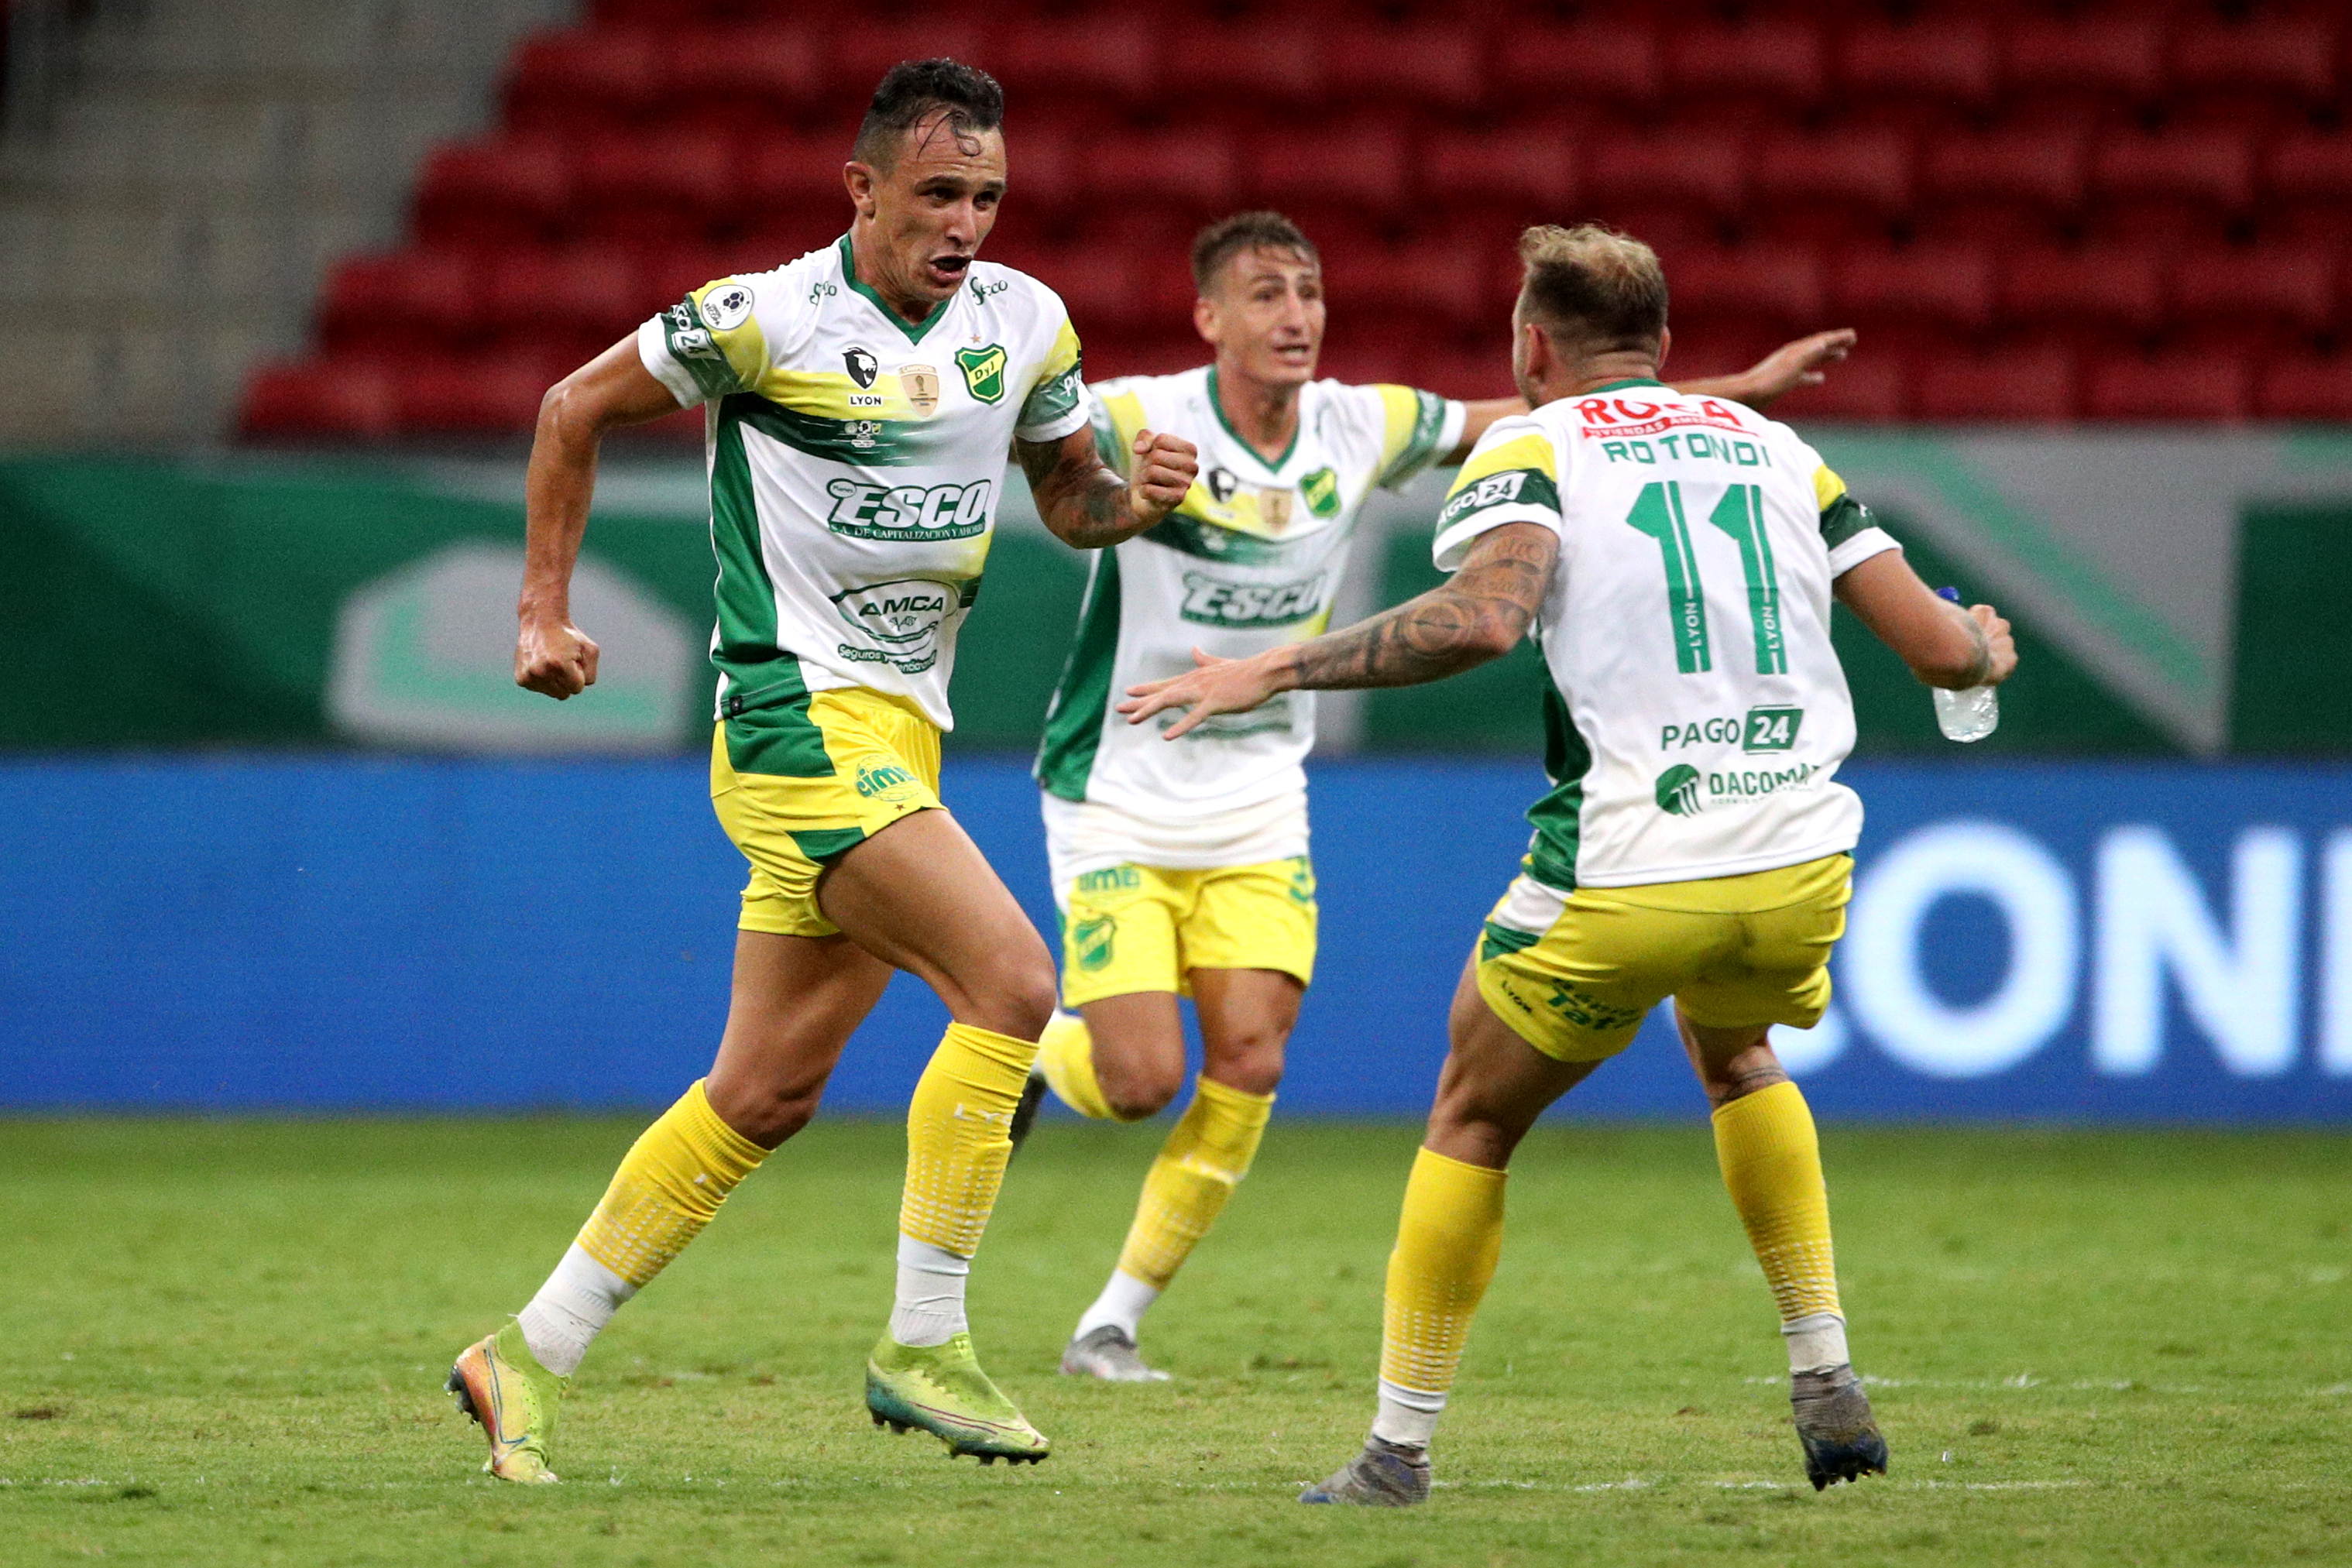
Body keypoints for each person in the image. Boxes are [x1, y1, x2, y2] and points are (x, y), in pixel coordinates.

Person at [1118, 224, 2017, 1502]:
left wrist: (1269, 664)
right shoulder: (1778, 449)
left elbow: (1483, 616)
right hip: (1798, 862)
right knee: (1738, 1052)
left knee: (1470, 1116)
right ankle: (1822, 1373)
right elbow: (1937, 651)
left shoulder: (1532, 445)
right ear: (1661, 343)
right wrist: (1985, 653)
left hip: (1630, 865)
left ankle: (1396, 1451)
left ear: (1531, 347)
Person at [443, 58, 1198, 1482]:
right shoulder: (764, 316)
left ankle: (524, 1350)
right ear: (861, 190)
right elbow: (566, 409)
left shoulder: (1027, 321)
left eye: (984, 193)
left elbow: (1066, 499)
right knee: (1016, 987)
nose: (965, 219)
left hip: (901, 732)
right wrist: (540, 609)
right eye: (936, 192)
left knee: (764, 1091)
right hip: (791, 719)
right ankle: (925, 1340)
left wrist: (1128, 501)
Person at [1017, 209, 1861, 1383]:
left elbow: (1564, 411)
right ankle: (1035, 1063)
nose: (1295, 315)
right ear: (1207, 317)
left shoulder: (1362, 422)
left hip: (1260, 792)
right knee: (1137, 1078)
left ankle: (1111, 1319)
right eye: (1263, 294)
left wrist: (1739, 387)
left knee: (1250, 1061)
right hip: (1118, 783)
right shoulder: (1136, 413)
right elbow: (1022, 435)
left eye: (1307, 291)